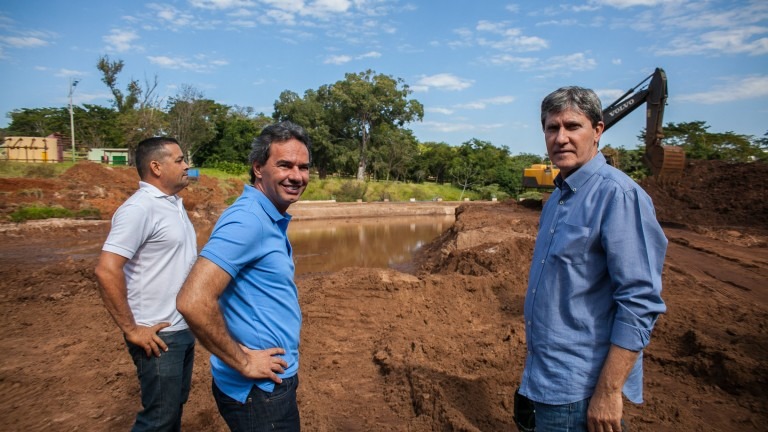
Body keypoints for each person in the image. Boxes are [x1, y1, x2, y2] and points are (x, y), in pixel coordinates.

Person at [518, 86, 667, 432]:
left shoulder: (619, 196)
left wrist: (609, 392)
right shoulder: (557, 199)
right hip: (542, 378)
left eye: (573, 126)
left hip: (581, 393)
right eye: (552, 128)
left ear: (598, 130)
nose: (561, 138)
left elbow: (640, 302)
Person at [176, 121, 311, 431]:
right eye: (285, 165)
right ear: (258, 168)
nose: (297, 176)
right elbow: (192, 301)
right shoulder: (248, 221)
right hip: (259, 392)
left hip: (267, 384)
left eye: (303, 167)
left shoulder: (265, 215)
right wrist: (244, 361)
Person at [94, 137, 197, 431]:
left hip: (181, 328)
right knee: (159, 420)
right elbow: (106, 270)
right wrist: (131, 329)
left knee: (172, 410)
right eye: (179, 160)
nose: (187, 166)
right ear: (156, 167)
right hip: (157, 336)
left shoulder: (172, 204)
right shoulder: (139, 209)